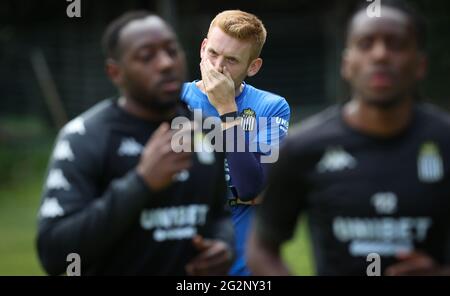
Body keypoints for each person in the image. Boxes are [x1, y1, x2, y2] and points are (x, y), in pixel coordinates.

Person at [248, 0, 450, 276]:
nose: (380, 55)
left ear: (420, 64)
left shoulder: (444, 141)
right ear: (347, 63)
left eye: (396, 44)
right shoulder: (302, 148)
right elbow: (262, 248)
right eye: (366, 44)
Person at [36, 11, 234, 276]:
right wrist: (141, 182)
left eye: (172, 51)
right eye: (146, 56)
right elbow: (54, 252)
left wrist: (224, 245)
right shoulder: (85, 137)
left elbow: (223, 213)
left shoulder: (207, 129)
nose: (165, 63)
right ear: (115, 72)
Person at [181, 10, 290, 275]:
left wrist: (227, 111)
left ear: (253, 67)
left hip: (242, 270)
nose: (218, 68)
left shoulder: (271, 107)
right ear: (203, 47)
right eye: (213, 53)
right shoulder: (174, 100)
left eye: (231, 60)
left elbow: (251, 188)